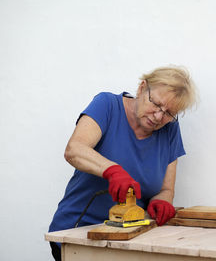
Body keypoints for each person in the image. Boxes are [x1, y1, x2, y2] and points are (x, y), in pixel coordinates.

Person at [48, 65, 197, 261]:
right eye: (157, 104)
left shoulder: (170, 130)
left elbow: (166, 189)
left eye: (169, 113)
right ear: (142, 88)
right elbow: (74, 150)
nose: (160, 116)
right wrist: (112, 171)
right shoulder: (107, 105)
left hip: (128, 242)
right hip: (77, 235)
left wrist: (161, 201)